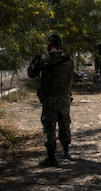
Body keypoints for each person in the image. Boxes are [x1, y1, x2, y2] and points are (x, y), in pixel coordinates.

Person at [27, 34, 74, 167]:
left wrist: (34, 61)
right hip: (65, 99)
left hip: (50, 100)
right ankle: (66, 151)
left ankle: (51, 157)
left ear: (50, 45)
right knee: (65, 123)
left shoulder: (46, 61)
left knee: (49, 126)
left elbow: (31, 73)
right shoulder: (69, 61)